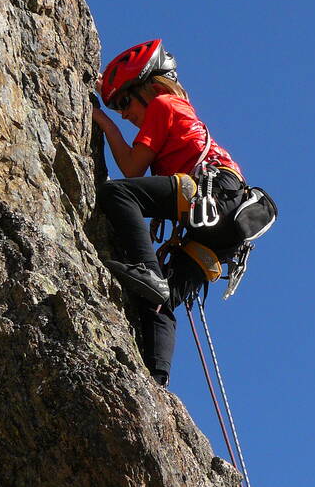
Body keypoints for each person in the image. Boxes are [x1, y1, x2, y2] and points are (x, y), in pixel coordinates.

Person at [92, 39, 275, 386]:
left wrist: (104, 124)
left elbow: (131, 171)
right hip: (225, 228)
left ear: (147, 87)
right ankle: (157, 381)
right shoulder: (174, 111)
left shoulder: (163, 104)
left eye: (125, 102)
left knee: (118, 195)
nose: (125, 114)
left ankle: (147, 270)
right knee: (158, 300)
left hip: (213, 195)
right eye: (117, 110)